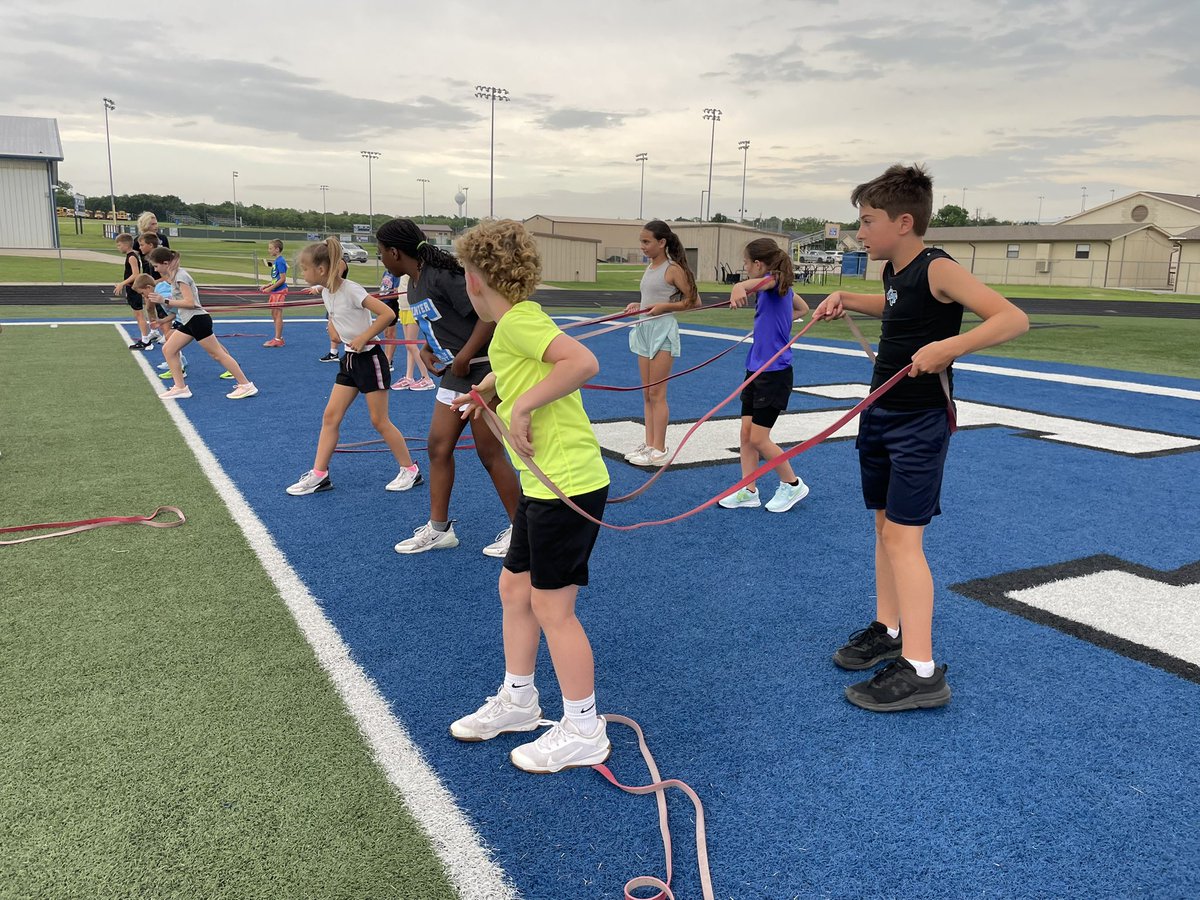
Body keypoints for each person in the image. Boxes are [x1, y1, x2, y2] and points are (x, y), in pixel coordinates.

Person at [810, 163, 1028, 712]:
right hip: (881, 414)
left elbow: (1012, 318)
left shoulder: (938, 268)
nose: (859, 233)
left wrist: (948, 348)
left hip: (918, 424)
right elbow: (895, 311)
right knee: (883, 527)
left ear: (903, 222)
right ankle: (889, 628)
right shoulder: (894, 273)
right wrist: (844, 297)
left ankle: (924, 670)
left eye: (866, 222)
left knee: (904, 541)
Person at [449, 220, 612, 773]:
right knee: (514, 588)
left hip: (566, 482)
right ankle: (519, 700)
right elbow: (513, 365)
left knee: (551, 606)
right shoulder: (513, 324)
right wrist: (486, 391)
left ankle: (585, 728)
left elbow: (582, 363)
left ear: (474, 279)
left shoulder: (518, 322)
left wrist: (520, 408)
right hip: (543, 483)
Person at [375, 217, 520, 557]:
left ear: (395, 252)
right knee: (438, 447)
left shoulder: (443, 276)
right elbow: (437, 321)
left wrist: (465, 355)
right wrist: (429, 347)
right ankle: (440, 529)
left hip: (483, 372)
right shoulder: (414, 282)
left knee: (489, 452)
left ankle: (523, 529)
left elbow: (489, 315)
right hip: (456, 374)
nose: (381, 258)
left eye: (381, 252)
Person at [285, 238, 421, 497]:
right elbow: (337, 321)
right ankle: (319, 475)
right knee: (330, 417)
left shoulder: (352, 290)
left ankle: (410, 470)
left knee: (379, 421)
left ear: (321, 270)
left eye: (304, 268)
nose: (302, 273)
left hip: (370, 360)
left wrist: (362, 337)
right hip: (349, 361)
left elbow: (387, 314)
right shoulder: (327, 292)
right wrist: (336, 332)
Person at [720, 238, 812, 513]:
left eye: (747, 264)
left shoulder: (772, 282)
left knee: (759, 439)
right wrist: (779, 323)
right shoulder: (783, 287)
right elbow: (803, 309)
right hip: (756, 369)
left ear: (759, 265)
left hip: (775, 373)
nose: (746, 268)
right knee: (746, 435)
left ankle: (793, 484)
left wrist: (739, 285)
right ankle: (749, 489)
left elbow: (754, 285)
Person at [621, 220, 700, 467]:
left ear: (662, 242)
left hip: (663, 332)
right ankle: (649, 444)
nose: (643, 246)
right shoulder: (651, 267)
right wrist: (638, 305)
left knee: (657, 393)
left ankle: (660, 448)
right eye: (641, 242)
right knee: (646, 394)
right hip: (644, 329)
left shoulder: (672, 268)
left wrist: (665, 307)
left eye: (647, 242)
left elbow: (694, 302)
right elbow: (651, 298)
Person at [146, 247, 258, 401]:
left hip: (197, 320)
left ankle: (246, 385)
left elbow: (190, 303)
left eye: (156, 266)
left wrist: (164, 300)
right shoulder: (175, 276)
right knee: (168, 349)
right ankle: (180, 388)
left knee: (217, 354)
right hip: (190, 321)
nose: (155, 269)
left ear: (165, 263)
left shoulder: (180, 276)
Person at [385, 271, 434, 392]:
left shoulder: (411, 269)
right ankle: (409, 377)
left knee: (410, 344)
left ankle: (427, 378)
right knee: (409, 346)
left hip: (412, 307)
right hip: (404, 307)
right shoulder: (402, 271)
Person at [114, 233, 154, 350]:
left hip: (134, 288)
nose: (118, 247)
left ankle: (146, 340)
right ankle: (145, 338)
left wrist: (123, 283)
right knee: (137, 314)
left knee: (139, 314)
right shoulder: (131, 256)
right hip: (131, 288)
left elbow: (136, 274)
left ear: (126, 244)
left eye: (119, 245)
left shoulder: (132, 256)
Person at [315, 256, 351, 363]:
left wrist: (318, 288)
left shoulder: (340, 263)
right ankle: (333, 352)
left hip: (340, 298)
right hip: (333, 297)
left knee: (340, 326)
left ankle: (350, 350)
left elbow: (335, 280)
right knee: (332, 325)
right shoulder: (331, 263)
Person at [261, 239, 288, 347]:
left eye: (270, 248)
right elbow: (275, 279)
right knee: (274, 314)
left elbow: (282, 279)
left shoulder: (280, 261)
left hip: (279, 291)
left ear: (277, 249)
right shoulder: (277, 261)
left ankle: (278, 339)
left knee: (277, 314)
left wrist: (270, 288)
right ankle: (278, 337)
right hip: (275, 290)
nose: (269, 250)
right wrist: (268, 285)